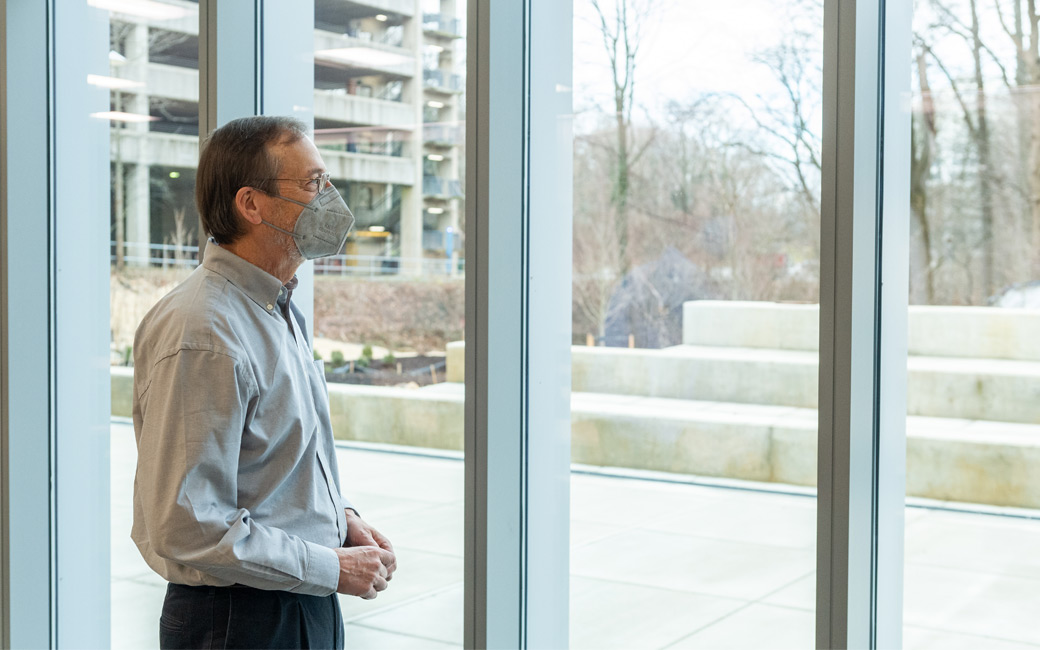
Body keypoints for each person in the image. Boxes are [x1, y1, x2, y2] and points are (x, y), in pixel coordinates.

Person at [131, 115, 396, 649]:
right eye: (313, 183)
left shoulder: (274, 308)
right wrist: (329, 565)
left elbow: (271, 462)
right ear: (250, 205)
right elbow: (188, 526)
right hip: (239, 619)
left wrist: (336, 520)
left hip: (293, 603)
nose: (331, 198)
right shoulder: (203, 332)